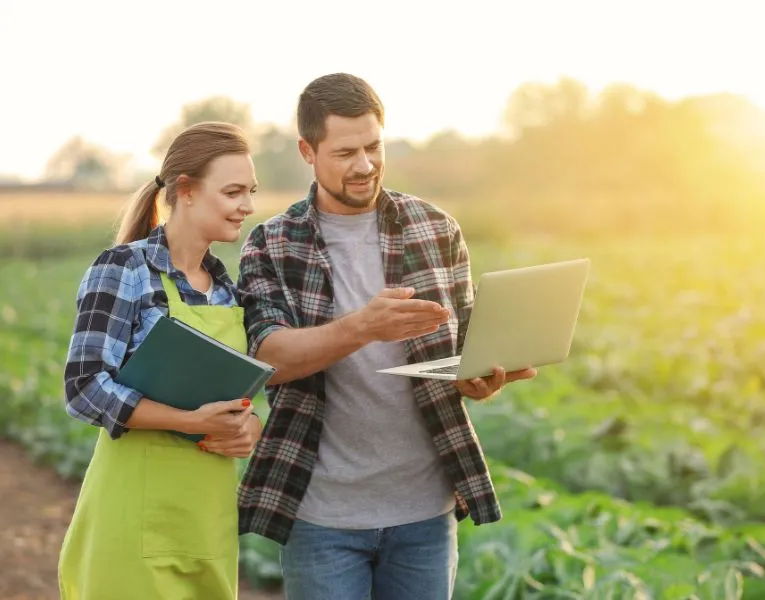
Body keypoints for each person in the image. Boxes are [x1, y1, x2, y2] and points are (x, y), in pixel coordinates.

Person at [236, 73, 537, 599]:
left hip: (424, 513)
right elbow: (269, 358)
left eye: (374, 147)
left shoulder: (436, 228)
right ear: (308, 151)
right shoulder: (271, 243)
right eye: (345, 152)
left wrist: (479, 378)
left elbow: (463, 347)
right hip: (321, 515)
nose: (365, 165)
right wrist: (362, 327)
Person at [58, 122, 263, 600]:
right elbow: (83, 388)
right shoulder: (124, 268)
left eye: (250, 192)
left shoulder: (229, 291)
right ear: (186, 191)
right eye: (233, 192)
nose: (247, 206)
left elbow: (234, 398)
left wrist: (245, 428)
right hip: (132, 521)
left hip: (205, 524)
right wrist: (189, 420)